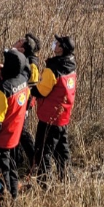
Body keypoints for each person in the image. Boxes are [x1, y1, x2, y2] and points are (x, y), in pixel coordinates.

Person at [0, 47, 29, 207]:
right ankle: (14, 199)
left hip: (1, 140)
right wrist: (3, 73)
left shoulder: (2, 91)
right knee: (11, 169)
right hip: (13, 137)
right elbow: (25, 71)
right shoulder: (23, 81)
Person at [32, 34, 77, 185]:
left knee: (43, 150)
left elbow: (42, 91)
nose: (54, 44)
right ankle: (67, 179)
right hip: (63, 116)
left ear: (61, 49)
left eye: (57, 43)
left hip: (49, 117)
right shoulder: (71, 64)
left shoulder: (53, 69)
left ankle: (45, 183)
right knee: (62, 150)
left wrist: (29, 88)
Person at [11, 32, 40, 167]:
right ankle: (18, 159)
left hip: (24, 103)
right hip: (20, 102)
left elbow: (32, 87)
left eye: (19, 42)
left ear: (22, 49)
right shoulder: (22, 59)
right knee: (17, 130)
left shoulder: (31, 64)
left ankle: (34, 160)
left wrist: (26, 106)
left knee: (22, 131)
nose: (16, 42)